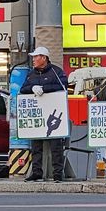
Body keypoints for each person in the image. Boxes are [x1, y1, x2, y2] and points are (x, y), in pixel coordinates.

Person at [20, 46, 69, 183]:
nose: (34, 60)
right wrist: (32, 88)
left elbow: (63, 86)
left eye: (36, 57)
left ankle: (58, 174)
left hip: (54, 116)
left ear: (44, 58)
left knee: (56, 147)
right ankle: (36, 172)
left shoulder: (56, 71)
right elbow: (23, 89)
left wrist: (44, 89)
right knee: (36, 147)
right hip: (38, 116)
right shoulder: (31, 74)